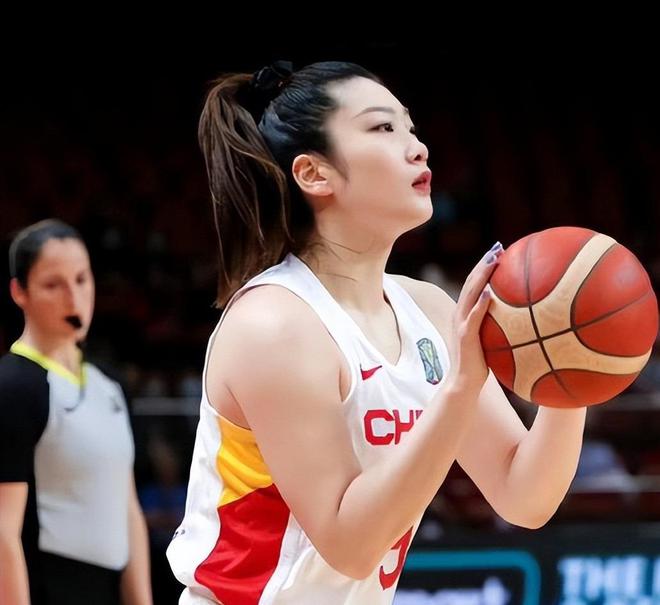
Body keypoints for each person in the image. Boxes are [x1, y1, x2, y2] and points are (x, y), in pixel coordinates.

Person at [166, 61, 587, 604]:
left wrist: (572, 371)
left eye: (411, 127)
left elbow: (523, 496)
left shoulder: (428, 310)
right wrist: (459, 387)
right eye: (383, 128)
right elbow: (350, 544)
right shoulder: (275, 325)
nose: (418, 148)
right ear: (313, 174)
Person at [0, 219, 153, 604]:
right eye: (53, 285)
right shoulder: (13, 386)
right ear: (19, 292)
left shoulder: (110, 385)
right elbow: (3, 533)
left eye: (82, 280)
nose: (74, 298)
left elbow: (127, 507)